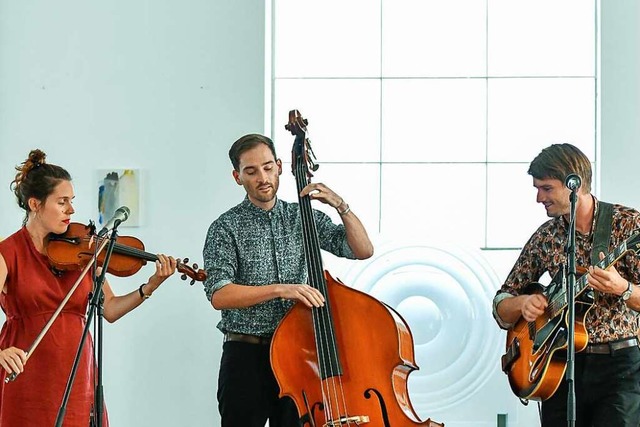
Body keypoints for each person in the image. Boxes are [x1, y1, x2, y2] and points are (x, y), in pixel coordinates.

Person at [203, 133, 374, 427]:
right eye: (251, 171)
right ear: (237, 176)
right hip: (246, 353)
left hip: (299, 353)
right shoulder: (225, 227)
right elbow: (219, 294)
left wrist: (340, 205)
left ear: (280, 166)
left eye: (268, 167)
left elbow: (361, 250)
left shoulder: (302, 217)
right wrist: (281, 290)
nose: (262, 177)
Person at [0, 149, 178, 426]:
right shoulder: (7, 252)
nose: (71, 210)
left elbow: (110, 309)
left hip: (76, 372)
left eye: (72, 201)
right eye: (62, 202)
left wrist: (150, 286)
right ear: (35, 204)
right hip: (25, 373)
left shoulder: (83, 254)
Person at [492, 143, 640, 426]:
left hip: (618, 367)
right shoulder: (546, 236)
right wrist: (522, 304)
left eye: (546, 188)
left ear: (576, 185)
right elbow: (501, 303)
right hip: (558, 365)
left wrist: (623, 288)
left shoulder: (628, 225)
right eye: (537, 188)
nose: (539, 198)